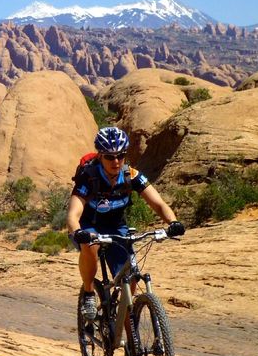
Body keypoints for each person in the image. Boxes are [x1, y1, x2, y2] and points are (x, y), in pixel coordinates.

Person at [67, 127, 185, 321]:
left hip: (116, 226)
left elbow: (158, 203)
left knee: (130, 278)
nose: (116, 161)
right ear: (100, 155)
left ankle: (128, 334)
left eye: (121, 156)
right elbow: (74, 213)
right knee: (91, 246)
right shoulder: (89, 177)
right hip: (89, 225)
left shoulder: (131, 175)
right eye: (109, 157)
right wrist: (78, 232)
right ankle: (88, 292)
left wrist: (173, 222)